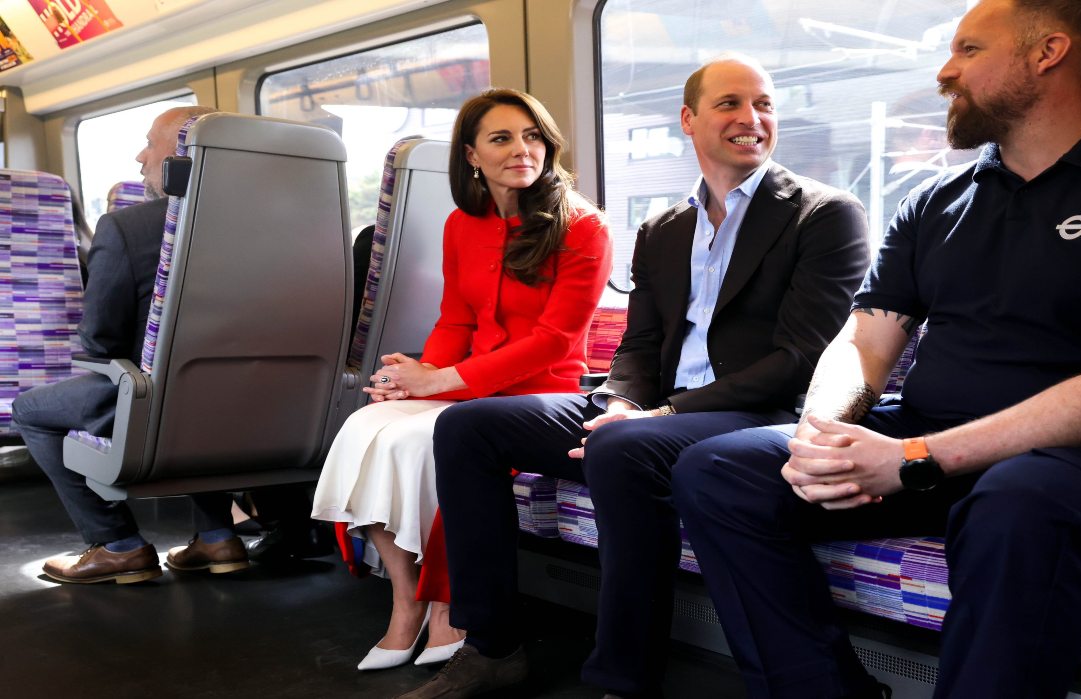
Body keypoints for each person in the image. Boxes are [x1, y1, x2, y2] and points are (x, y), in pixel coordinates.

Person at [671, 2, 1081, 697]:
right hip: (923, 443)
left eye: (969, 49)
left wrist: (915, 460)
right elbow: (864, 339)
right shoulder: (937, 199)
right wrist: (824, 431)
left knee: (1018, 504)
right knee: (717, 471)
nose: (945, 71)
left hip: (1063, 463)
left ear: (1050, 52)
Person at [413, 54, 870, 698]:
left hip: (754, 414)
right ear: (689, 120)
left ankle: (622, 680)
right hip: (655, 410)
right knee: (468, 426)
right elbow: (641, 343)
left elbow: (798, 360)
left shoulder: (823, 214)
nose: (751, 118)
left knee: (624, 447)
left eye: (764, 104)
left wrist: (659, 417)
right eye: (729, 104)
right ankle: (491, 647)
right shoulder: (664, 228)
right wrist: (623, 399)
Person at [310, 88, 612, 672]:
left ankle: (447, 605)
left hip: (539, 391)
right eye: (501, 138)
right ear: (472, 155)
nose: (521, 149)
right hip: (466, 381)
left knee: (416, 440)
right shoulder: (462, 225)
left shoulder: (583, 228)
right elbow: (456, 318)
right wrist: (414, 379)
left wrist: (439, 380)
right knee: (364, 427)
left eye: (532, 136)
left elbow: (554, 341)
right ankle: (405, 599)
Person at [12, 105, 257, 584]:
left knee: (30, 409)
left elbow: (99, 340)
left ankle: (118, 544)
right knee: (193, 391)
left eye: (150, 143)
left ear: (181, 156)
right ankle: (216, 537)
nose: (140, 157)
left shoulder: (129, 228)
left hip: (157, 402)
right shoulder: (274, 227)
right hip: (248, 402)